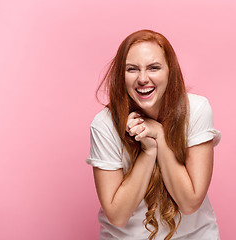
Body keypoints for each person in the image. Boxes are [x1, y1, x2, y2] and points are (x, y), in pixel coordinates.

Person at [86, 29, 221, 240]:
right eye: (132, 69)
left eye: (154, 68)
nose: (142, 78)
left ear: (170, 71)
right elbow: (118, 216)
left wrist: (159, 135)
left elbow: (189, 203)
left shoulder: (196, 109)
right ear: (121, 75)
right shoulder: (104, 125)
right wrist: (148, 152)